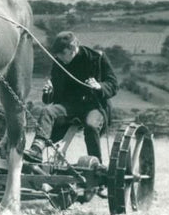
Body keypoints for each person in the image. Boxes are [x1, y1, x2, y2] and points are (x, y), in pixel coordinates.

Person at [24, 31, 118, 163]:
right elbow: (54, 95)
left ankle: (97, 164)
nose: (60, 57)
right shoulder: (59, 63)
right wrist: (49, 92)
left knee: (91, 126)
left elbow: (113, 84)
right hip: (70, 106)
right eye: (57, 54)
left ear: (73, 49)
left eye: (63, 54)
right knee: (47, 111)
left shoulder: (97, 58)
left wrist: (99, 86)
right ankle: (37, 150)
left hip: (94, 106)